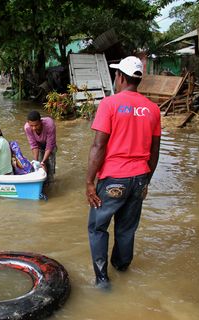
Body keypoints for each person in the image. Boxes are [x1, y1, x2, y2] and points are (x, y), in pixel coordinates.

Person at [86, 56, 161, 290]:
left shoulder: (109, 104)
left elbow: (99, 146)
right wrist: (146, 180)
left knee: (98, 227)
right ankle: (122, 268)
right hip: (139, 178)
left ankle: (102, 280)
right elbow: (154, 151)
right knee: (127, 228)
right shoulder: (153, 109)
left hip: (113, 179)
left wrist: (89, 182)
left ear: (120, 77)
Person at [24, 111, 57, 184]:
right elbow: (34, 145)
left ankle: (51, 184)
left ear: (40, 121)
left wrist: (43, 161)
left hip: (50, 146)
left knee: (50, 168)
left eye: (36, 125)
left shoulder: (49, 124)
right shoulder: (27, 127)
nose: (34, 128)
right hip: (39, 146)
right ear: (28, 123)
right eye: (31, 126)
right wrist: (36, 162)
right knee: (39, 168)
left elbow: (49, 146)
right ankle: (42, 185)